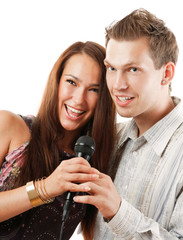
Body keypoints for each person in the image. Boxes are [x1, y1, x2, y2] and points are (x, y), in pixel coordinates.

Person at [73, 9, 183, 239]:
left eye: (133, 69)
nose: (117, 85)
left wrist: (118, 212)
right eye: (112, 68)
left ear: (167, 73)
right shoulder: (108, 138)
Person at [0, 41, 116, 239]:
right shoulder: (9, 125)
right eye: (72, 82)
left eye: (94, 89)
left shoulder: (95, 159)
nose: (79, 99)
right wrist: (45, 188)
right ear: (57, 81)